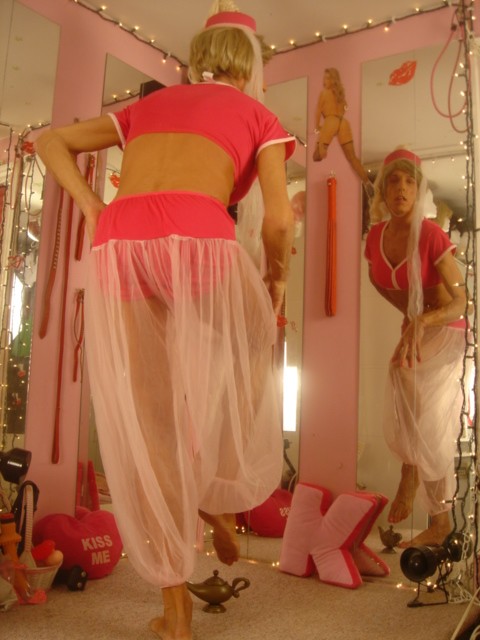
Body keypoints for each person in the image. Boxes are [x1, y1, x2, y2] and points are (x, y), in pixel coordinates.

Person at [35, 1, 296, 637]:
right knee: (252, 340)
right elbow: (280, 219)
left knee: (152, 420)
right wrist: (277, 279)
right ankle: (217, 492)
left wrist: (94, 207)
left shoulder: (146, 107)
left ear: (198, 61)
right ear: (250, 69)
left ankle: (177, 613)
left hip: (121, 243)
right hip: (198, 236)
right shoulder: (259, 115)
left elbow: (48, 140)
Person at [364, 148, 469, 549]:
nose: (401, 189)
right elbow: (379, 281)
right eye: (393, 180)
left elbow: (461, 302)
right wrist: (410, 317)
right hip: (419, 328)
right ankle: (411, 471)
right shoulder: (376, 238)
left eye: (410, 181)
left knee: (425, 418)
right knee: (401, 380)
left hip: (448, 328)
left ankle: (437, 516)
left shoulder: (431, 235)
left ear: (419, 189)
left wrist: (422, 319)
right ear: (383, 190)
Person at [313, 68, 373, 198]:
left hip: (330, 121)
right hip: (343, 123)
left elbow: (318, 111)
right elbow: (345, 108)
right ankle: (367, 182)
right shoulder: (340, 94)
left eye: (327, 78)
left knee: (316, 156)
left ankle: (324, 150)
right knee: (352, 158)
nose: (324, 80)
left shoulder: (324, 93)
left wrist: (317, 127)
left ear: (332, 80)